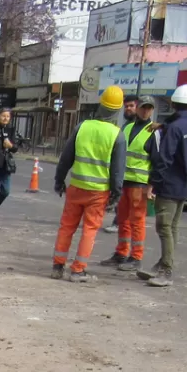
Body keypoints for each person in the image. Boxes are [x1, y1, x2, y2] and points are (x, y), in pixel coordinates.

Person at [51, 85, 126, 284]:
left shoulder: (82, 127)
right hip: (98, 192)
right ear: (117, 110)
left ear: (101, 105)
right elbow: (118, 171)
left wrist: (59, 180)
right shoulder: (117, 135)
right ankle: (78, 270)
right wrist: (116, 194)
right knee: (89, 230)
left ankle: (58, 266)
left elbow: (66, 157)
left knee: (67, 227)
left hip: (76, 186)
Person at [140, 84, 187, 288]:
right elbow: (178, 125)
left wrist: (152, 184)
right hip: (185, 184)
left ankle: (167, 269)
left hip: (170, 185)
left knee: (164, 226)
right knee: (172, 226)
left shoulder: (174, 128)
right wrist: (163, 126)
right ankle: (164, 263)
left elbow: (164, 159)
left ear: (173, 103)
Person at [99, 95, 156, 273]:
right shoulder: (128, 127)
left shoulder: (154, 131)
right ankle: (121, 253)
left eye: (149, 108)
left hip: (139, 184)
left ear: (152, 110)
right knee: (122, 219)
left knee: (137, 221)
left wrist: (151, 186)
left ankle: (136, 256)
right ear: (137, 108)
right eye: (143, 107)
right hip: (124, 181)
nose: (145, 111)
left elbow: (156, 160)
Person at [103, 95, 141, 234]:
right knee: (122, 201)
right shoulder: (126, 126)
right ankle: (119, 223)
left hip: (136, 175)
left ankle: (119, 224)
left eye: (131, 106)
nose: (128, 109)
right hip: (125, 171)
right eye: (126, 106)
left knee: (130, 206)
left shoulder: (140, 126)